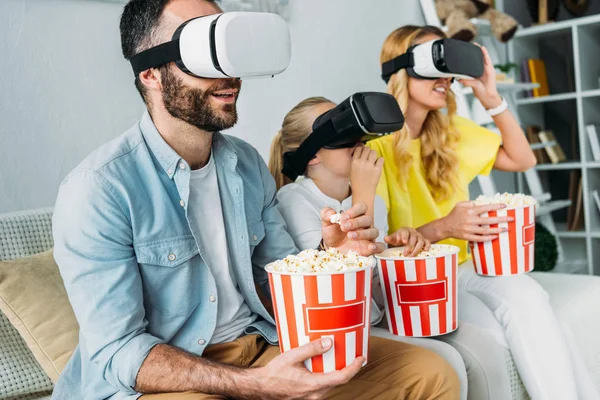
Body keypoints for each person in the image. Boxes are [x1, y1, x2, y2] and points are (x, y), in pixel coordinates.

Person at [50, 2, 461, 398]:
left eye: (227, 51)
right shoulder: (98, 188)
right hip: (171, 376)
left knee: (430, 374)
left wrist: (328, 255)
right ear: (151, 74)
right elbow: (118, 352)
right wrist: (258, 386)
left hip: (262, 343)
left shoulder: (245, 165)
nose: (229, 74)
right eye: (203, 54)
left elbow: (274, 283)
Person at [368, 24, 600, 400]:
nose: (444, 78)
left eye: (449, 67)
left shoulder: (449, 132)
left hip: (463, 266)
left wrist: (492, 97)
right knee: (502, 333)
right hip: (415, 279)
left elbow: (522, 158)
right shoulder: (375, 147)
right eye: (434, 63)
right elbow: (377, 247)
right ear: (401, 70)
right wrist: (444, 227)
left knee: (531, 299)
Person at [269, 95, 470, 399]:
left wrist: (398, 247)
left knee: (458, 348)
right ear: (312, 155)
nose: (357, 140)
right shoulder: (293, 199)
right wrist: (363, 191)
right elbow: (338, 280)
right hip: (339, 333)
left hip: (374, 318)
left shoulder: (373, 200)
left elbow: (376, 282)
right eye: (338, 131)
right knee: (448, 361)